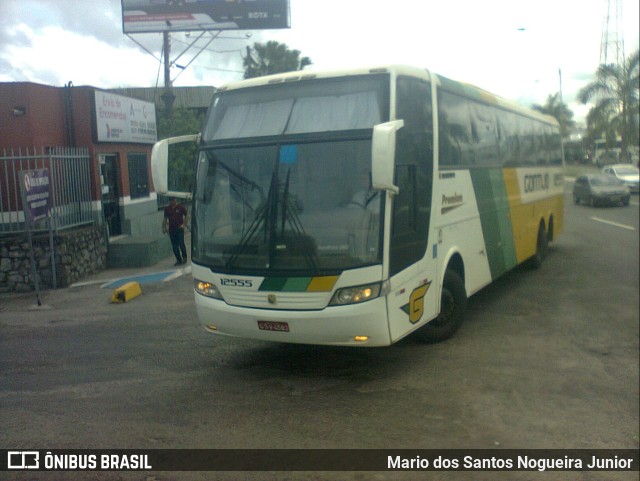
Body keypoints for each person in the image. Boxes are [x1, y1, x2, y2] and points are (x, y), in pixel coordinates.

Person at [162, 197, 188, 266]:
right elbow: (165, 219)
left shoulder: (180, 207)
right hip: (171, 229)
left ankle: (184, 257)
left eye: (173, 200)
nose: (171, 202)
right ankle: (178, 260)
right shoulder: (167, 209)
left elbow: (187, 215)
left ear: (175, 200)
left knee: (181, 243)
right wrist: (163, 227)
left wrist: (184, 224)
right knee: (174, 246)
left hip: (179, 229)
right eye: (170, 200)